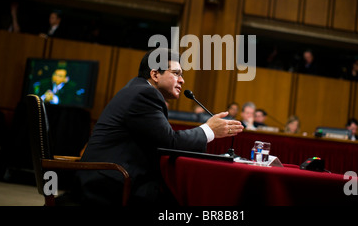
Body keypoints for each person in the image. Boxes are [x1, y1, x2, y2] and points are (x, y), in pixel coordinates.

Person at [74, 48, 244, 205]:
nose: (182, 80)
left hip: (112, 177)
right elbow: (169, 142)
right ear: (155, 74)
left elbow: (162, 139)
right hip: (110, 183)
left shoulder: (137, 90)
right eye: (176, 73)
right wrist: (209, 130)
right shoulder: (144, 94)